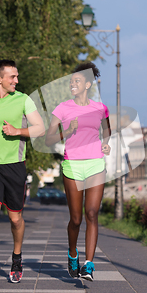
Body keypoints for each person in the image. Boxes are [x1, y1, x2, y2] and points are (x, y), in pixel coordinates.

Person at [0, 60, 45, 284]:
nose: (17, 81)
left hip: (15, 165)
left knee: (15, 218)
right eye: (12, 77)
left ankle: (17, 257)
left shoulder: (23, 99)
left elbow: (39, 128)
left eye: (17, 76)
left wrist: (17, 131)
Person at [45, 62, 111, 281]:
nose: (73, 84)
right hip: (72, 165)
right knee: (76, 219)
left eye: (77, 81)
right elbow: (48, 139)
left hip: (95, 164)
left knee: (92, 213)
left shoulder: (100, 108)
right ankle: (72, 253)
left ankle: (89, 264)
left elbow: (106, 129)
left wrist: (106, 143)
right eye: (71, 81)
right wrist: (68, 131)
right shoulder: (62, 109)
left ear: (88, 85)